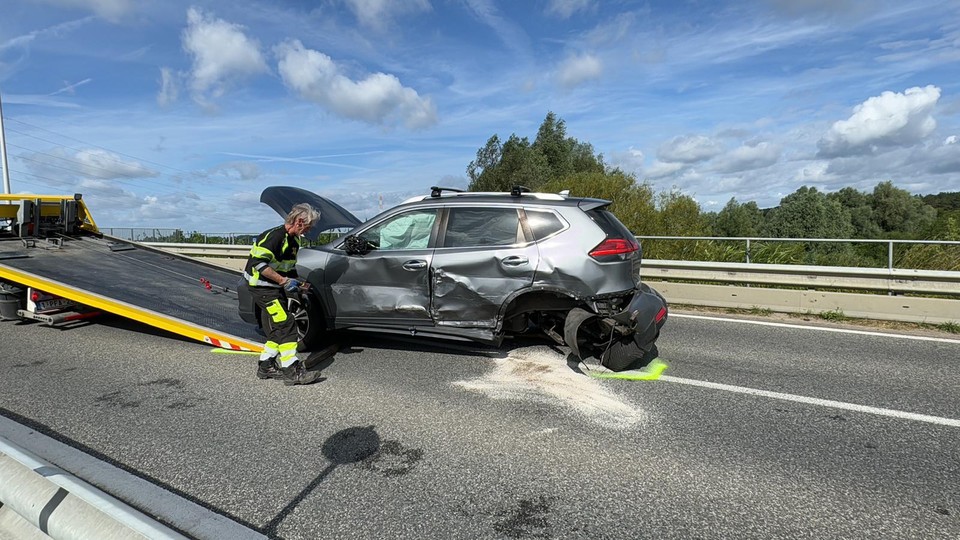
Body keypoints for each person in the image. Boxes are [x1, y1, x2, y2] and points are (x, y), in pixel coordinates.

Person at [243, 203, 322, 385]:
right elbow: (259, 265)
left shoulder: (294, 240)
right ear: (300, 222)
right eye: (309, 226)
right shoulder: (274, 237)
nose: (310, 230)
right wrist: (283, 281)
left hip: (274, 287)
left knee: (279, 326)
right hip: (262, 288)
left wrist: (299, 285)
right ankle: (291, 370)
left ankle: (266, 366)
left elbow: (288, 267)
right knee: (286, 324)